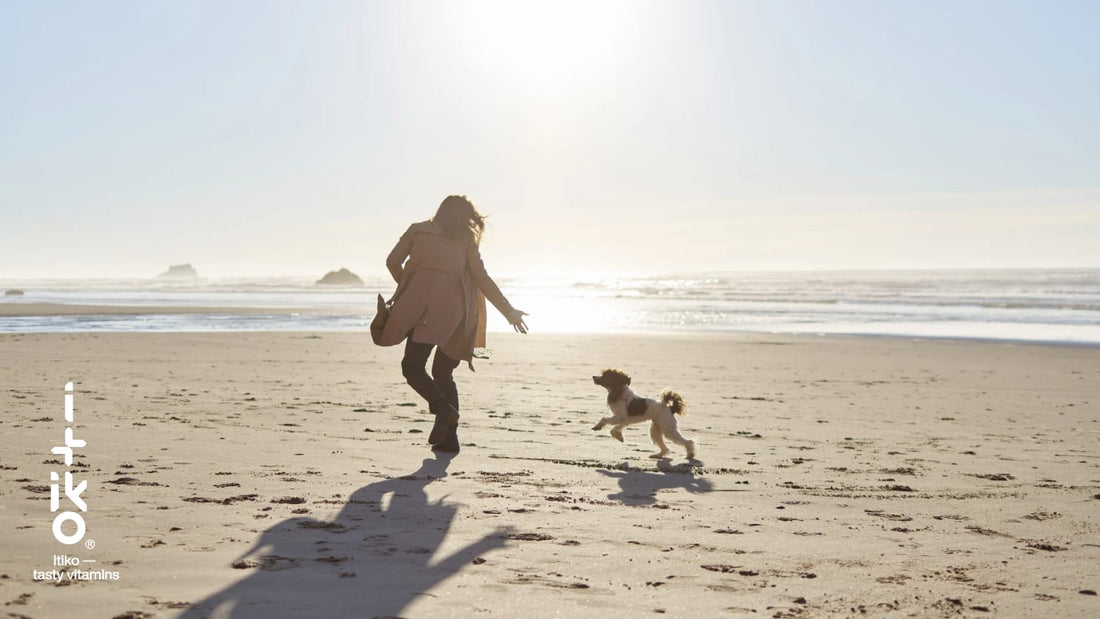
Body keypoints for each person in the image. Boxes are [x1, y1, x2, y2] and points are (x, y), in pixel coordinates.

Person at [376, 195, 528, 453]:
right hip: (458, 313)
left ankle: (444, 410)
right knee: (443, 372)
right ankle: (449, 439)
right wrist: (509, 311)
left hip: (422, 310)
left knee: (412, 366)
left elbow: (392, 261)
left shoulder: (417, 230)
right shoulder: (465, 240)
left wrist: (410, 286)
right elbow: (482, 278)